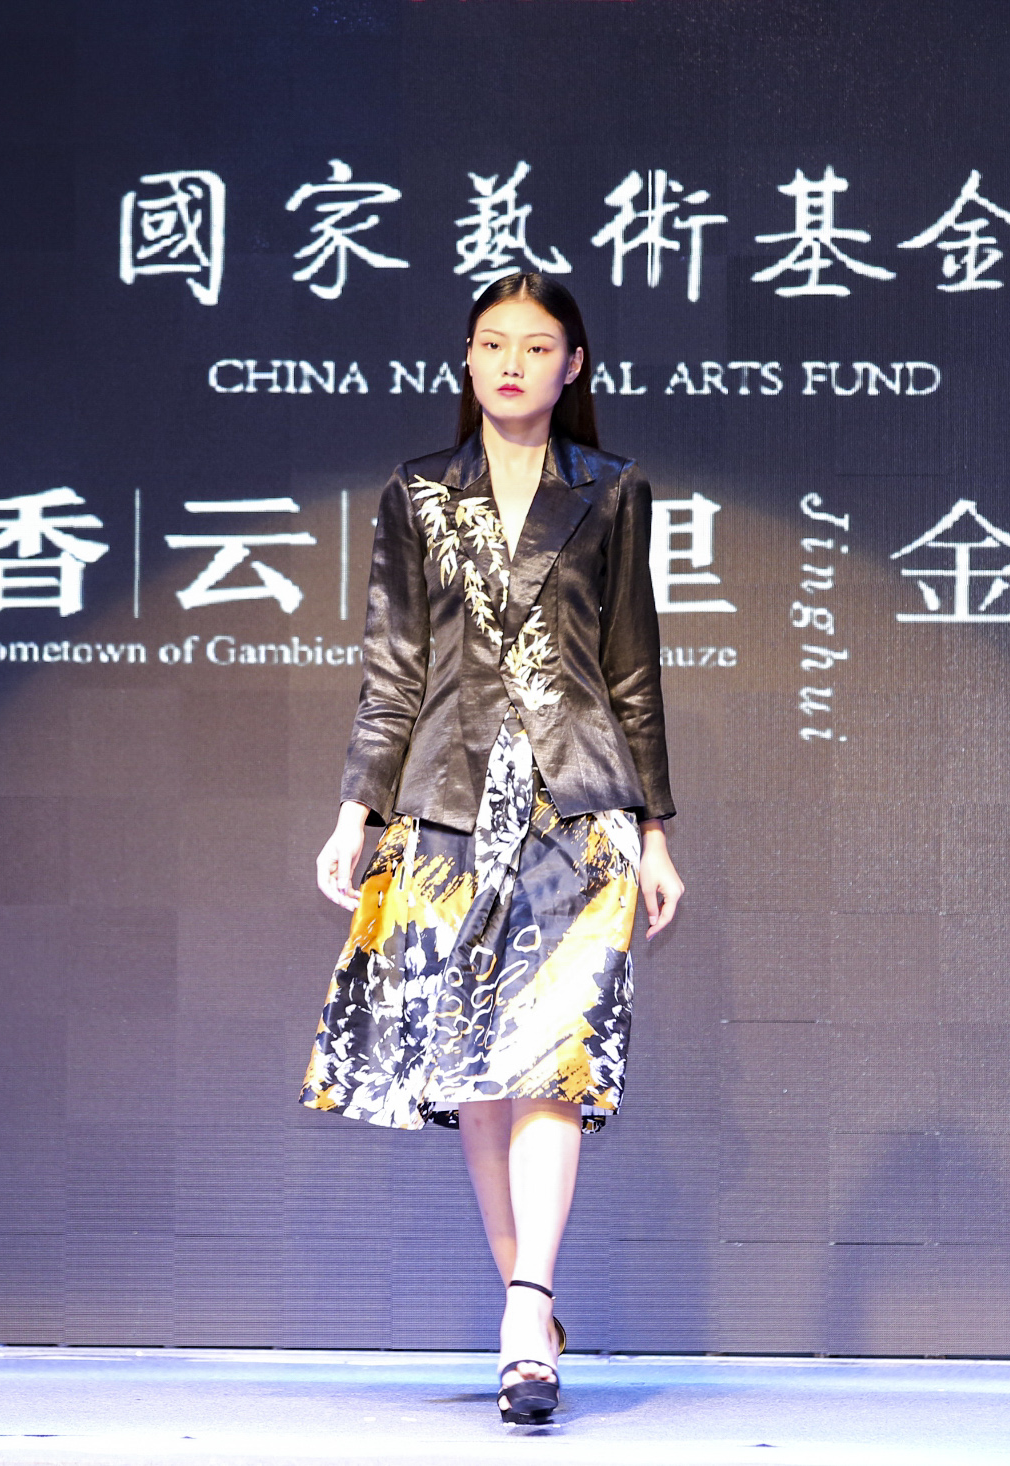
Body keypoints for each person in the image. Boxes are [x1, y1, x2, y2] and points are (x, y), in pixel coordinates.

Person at [302, 272, 684, 1427]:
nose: (511, 362)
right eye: (490, 343)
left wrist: (655, 830)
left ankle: (526, 1311)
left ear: (574, 364)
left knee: (553, 1055)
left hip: (579, 808)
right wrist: (356, 811)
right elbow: (393, 668)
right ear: (467, 361)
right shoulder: (418, 491)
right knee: (476, 1072)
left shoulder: (611, 490)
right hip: (446, 808)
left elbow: (632, 669)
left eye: (535, 344)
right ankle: (528, 1301)